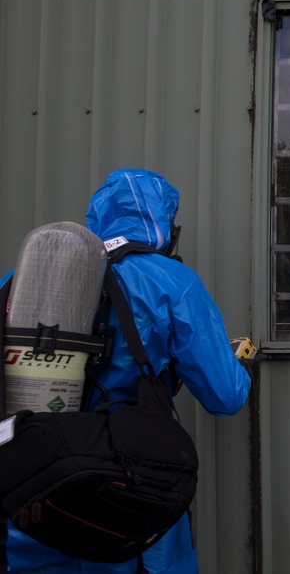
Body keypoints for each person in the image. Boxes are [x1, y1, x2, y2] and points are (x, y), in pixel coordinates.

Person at [3, 168, 252, 573]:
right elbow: (225, 396)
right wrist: (241, 367)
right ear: (164, 224)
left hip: (32, 483)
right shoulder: (171, 281)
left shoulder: (21, 279)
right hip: (124, 484)